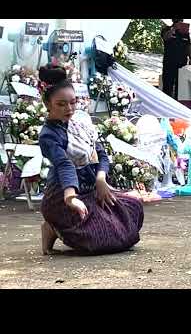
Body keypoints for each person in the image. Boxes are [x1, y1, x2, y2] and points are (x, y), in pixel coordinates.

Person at [38, 64, 144, 255]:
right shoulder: (49, 135)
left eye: (73, 102)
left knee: (132, 211)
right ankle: (52, 227)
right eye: (61, 104)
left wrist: (101, 179)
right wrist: (71, 197)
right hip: (63, 196)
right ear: (47, 104)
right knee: (99, 239)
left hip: (92, 189)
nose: (69, 108)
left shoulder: (81, 124)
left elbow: (101, 153)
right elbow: (64, 164)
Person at [161, 19, 191, 100]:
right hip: (169, 62)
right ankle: (166, 102)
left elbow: (188, 45)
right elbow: (165, 38)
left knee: (180, 85)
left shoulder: (185, 33)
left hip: (182, 63)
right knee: (168, 84)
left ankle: (177, 103)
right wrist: (174, 29)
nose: (180, 21)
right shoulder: (167, 29)